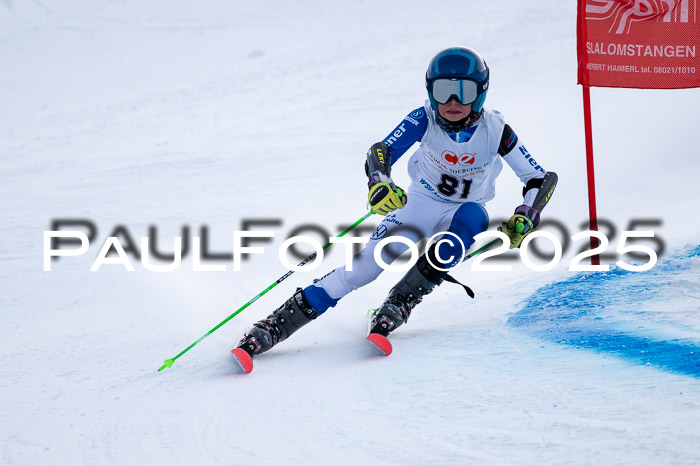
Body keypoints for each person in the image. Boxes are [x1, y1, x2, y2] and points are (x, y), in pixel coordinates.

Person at [233, 46, 552, 367]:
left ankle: (399, 302)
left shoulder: (496, 131)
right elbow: (382, 150)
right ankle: (274, 326)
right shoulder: (424, 118)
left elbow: (539, 178)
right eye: (443, 91)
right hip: (419, 203)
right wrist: (380, 182)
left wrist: (526, 214)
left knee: (465, 228)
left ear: (481, 93)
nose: (452, 102)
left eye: (463, 91)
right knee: (363, 270)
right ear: (431, 91)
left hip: (465, 208)